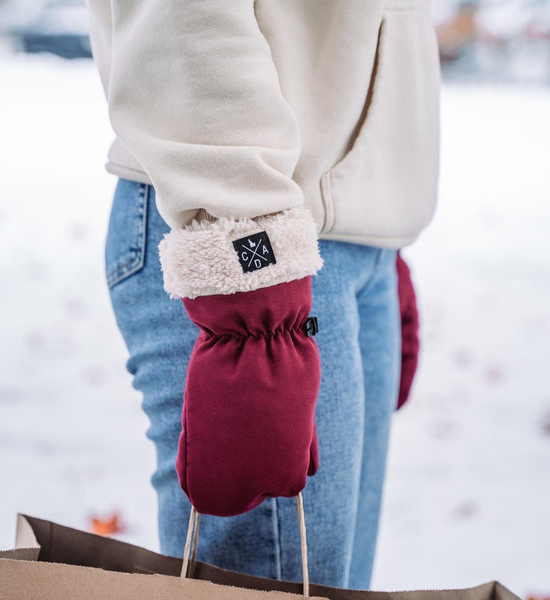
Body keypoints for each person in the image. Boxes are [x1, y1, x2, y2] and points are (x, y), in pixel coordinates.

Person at [85, 0, 441, 590]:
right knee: (272, 581)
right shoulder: (247, 244)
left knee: (328, 585)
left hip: (349, 241)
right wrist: (248, 262)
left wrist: (380, 226)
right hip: (241, 228)